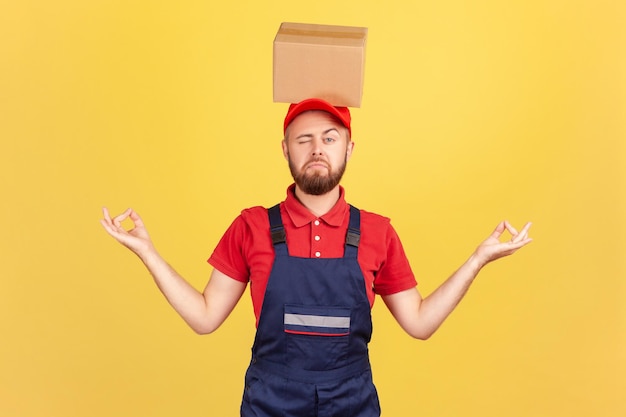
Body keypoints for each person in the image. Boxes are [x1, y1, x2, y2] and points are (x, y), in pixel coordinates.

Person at [100, 98, 532, 417]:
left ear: (349, 148)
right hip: (270, 403)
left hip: (352, 402)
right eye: (303, 139)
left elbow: (419, 324)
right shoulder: (251, 226)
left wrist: (477, 260)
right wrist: (147, 252)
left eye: (330, 138)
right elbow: (204, 317)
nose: (317, 149)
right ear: (285, 149)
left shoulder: (378, 231)